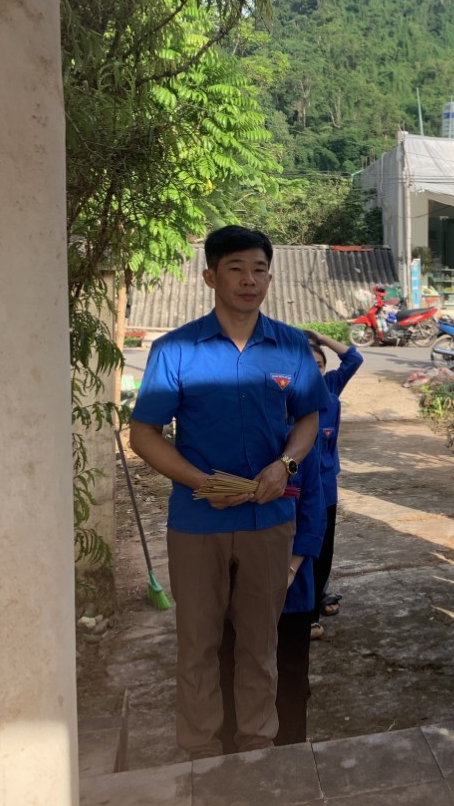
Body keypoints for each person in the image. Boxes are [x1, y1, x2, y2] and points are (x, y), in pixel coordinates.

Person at [129, 225, 329, 759]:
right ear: (210, 277)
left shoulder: (290, 345)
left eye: (259, 269)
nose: (249, 280)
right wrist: (202, 483)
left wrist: (285, 465)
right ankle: (199, 752)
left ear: (269, 278)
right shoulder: (176, 350)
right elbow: (144, 434)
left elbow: (308, 418)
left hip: (269, 520)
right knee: (198, 644)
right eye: (236, 269)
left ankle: (257, 747)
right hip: (199, 521)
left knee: (261, 644)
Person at [218, 447, 325, 750]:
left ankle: (289, 762)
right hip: (232, 591)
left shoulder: (300, 442)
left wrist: (289, 570)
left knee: (287, 685)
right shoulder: (224, 438)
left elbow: (313, 508)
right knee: (232, 679)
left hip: (289, 593)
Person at [304, 330, 364, 638]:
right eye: (308, 364)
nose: (315, 370)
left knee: (323, 547)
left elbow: (354, 358)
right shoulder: (285, 395)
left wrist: (321, 338)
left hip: (325, 485)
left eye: (319, 365)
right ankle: (301, 608)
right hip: (294, 487)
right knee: (298, 548)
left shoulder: (330, 389)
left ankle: (314, 605)